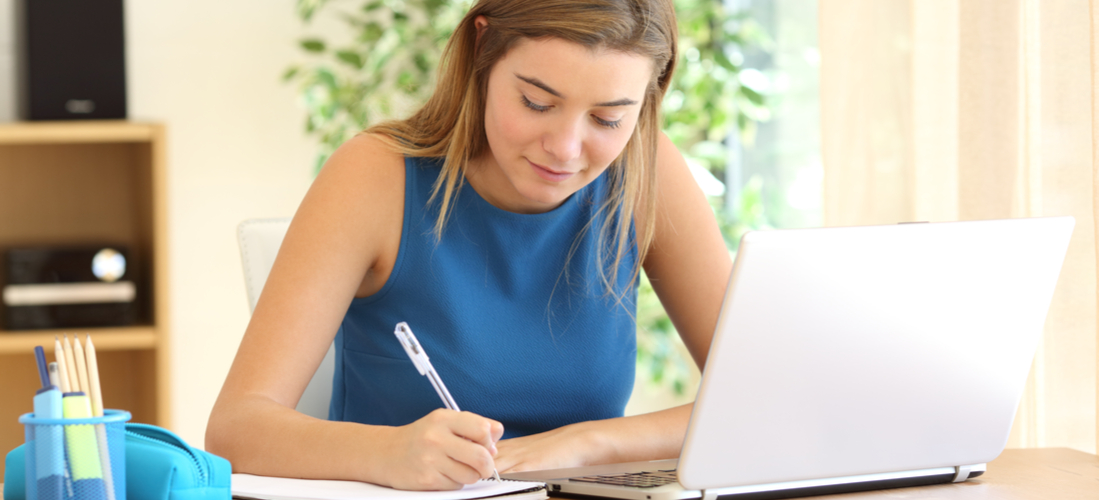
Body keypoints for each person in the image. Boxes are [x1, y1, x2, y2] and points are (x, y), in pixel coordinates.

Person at [206, 0, 732, 491]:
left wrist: (582, 443)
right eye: (537, 101)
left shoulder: (647, 170)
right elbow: (237, 428)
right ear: (483, 49)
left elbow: (767, 397)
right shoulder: (375, 177)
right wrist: (388, 450)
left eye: (608, 118)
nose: (566, 148)